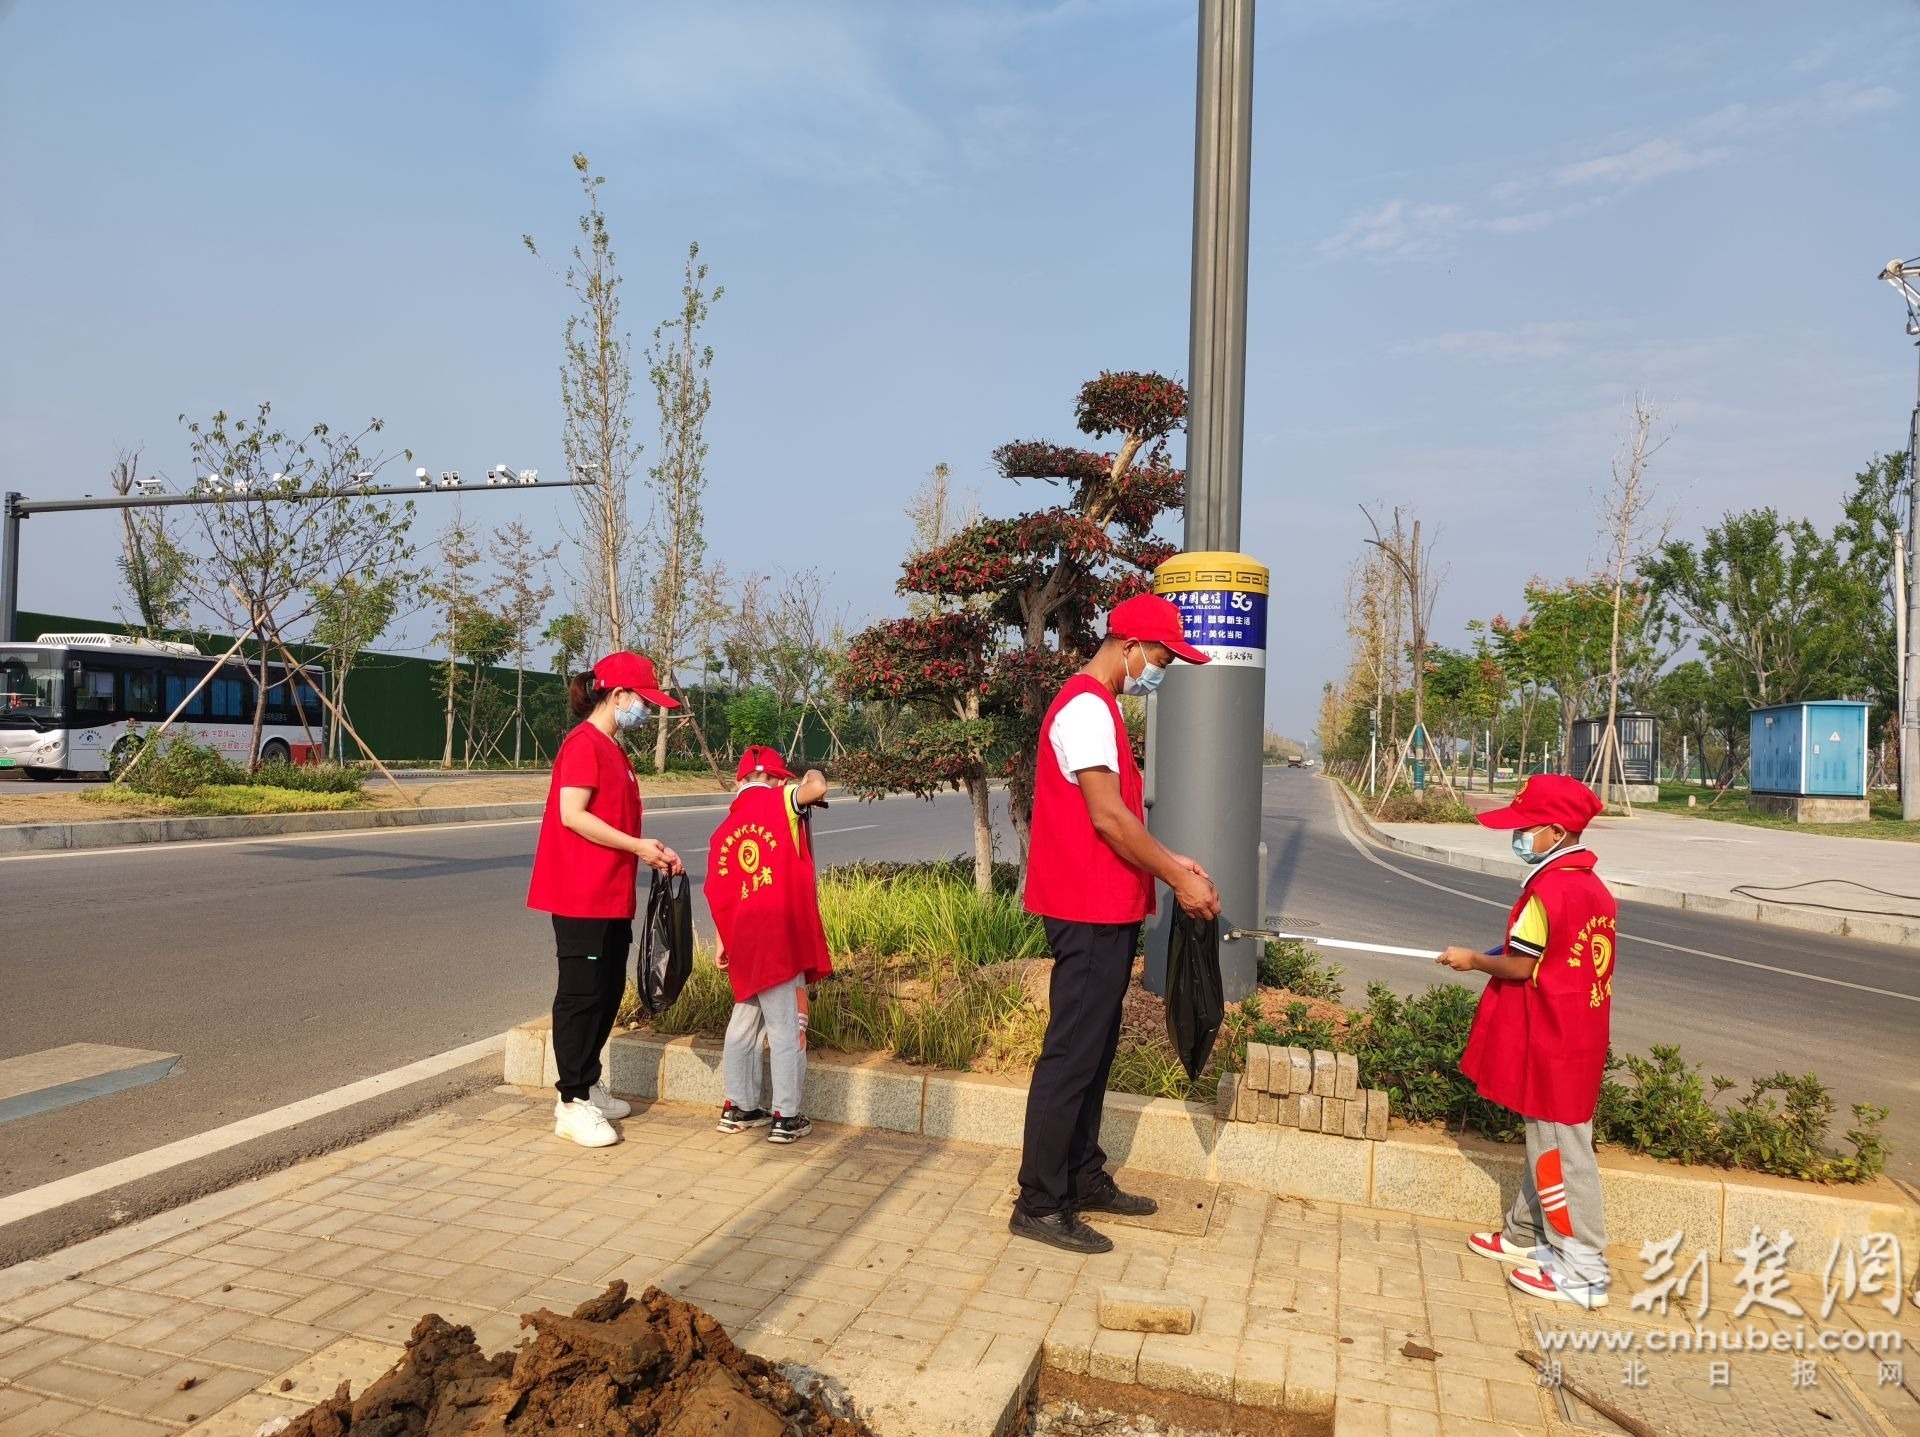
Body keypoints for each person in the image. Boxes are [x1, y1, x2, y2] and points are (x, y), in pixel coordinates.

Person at [1012, 593, 1222, 1254]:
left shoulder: (1097, 708)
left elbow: (1122, 820)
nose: (1161, 669)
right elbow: (1108, 819)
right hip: (1085, 909)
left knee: (1093, 1052)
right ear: (1129, 644)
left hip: (1107, 907)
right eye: (1161, 656)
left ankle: (1082, 1174)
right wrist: (1178, 876)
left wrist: (1170, 860)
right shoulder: (1085, 707)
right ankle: (1040, 1201)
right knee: (1071, 1053)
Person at [1433, 774, 1616, 1309]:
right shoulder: (1588, 886)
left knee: (1561, 1152)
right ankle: (1526, 1234)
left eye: (1525, 829)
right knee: (1547, 1142)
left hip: (1553, 1036)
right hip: (1576, 1033)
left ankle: (1582, 1266)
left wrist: (1473, 959)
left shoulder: (1548, 889)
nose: (1517, 838)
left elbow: (1521, 964)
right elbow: (1557, 954)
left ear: (1556, 831)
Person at [526, 652, 685, 1149]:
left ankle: (589, 1082)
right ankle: (571, 1102)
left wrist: (646, 849)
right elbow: (572, 814)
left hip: (611, 894)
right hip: (580, 893)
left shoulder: (614, 748)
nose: (646, 711)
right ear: (618, 697)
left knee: (606, 991)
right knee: (580, 996)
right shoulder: (583, 746)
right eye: (643, 700)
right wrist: (638, 847)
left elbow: (613, 820)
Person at [706, 745, 833, 1145]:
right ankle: (787, 1115)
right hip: (780, 937)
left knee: (744, 1023)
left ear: (739, 780)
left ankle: (738, 1106)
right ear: (777, 779)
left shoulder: (724, 831)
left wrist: (724, 940)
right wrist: (809, 771)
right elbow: (817, 787)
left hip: (743, 939)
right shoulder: (783, 800)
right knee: (785, 1028)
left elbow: (718, 890)